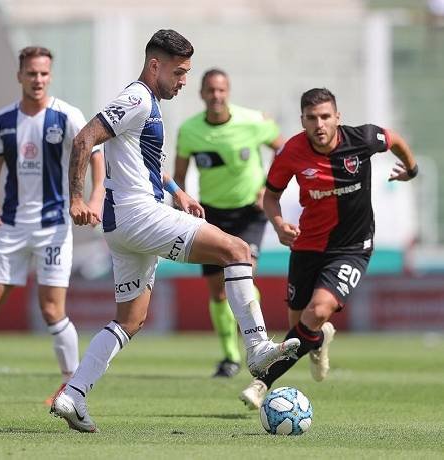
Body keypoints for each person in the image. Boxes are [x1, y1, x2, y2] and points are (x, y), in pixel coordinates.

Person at [50, 29, 300, 433]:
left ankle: (73, 395)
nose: (184, 81)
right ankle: (255, 349)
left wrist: (176, 190)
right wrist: (77, 199)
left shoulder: (146, 104)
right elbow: (85, 138)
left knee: (130, 320)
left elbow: (142, 163)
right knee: (237, 250)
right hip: (137, 214)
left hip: (124, 223)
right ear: (155, 65)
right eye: (179, 72)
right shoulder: (136, 98)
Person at [0, 46, 104, 405]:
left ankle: (69, 386)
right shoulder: (2, 120)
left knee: (51, 310)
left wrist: (94, 199)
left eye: (43, 74)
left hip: (54, 225)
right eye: (31, 74)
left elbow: (96, 157)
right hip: (11, 226)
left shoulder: (68, 116)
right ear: (20, 76)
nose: (38, 80)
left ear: (50, 76)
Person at [239, 88, 419, 409]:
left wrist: (412, 169)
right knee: (299, 327)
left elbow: (394, 139)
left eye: (325, 117)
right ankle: (319, 339)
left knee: (316, 312)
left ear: (338, 117)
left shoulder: (362, 139)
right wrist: (279, 224)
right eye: (312, 118)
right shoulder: (292, 151)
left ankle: (262, 383)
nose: (319, 124)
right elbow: (270, 196)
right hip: (307, 245)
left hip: (353, 246)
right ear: (302, 121)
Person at [174, 68, 284, 378]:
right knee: (217, 291)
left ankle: (258, 344)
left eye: (221, 90)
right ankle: (230, 356)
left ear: (228, 92)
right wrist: (181, 204)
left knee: (245, 277)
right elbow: (179, 175)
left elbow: (285, 150)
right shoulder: (190, 130)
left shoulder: (252, 121)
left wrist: (269, 189)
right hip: (212, 215)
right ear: (202, 94)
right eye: (210, 90)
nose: (216, 96)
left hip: (250, 212)